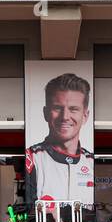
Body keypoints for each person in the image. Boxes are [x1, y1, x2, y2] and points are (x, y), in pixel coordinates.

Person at [25, 72, 94, 205]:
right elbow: (28, 214)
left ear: (85, 116)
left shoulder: (92, 162)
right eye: (58, 108)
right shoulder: (32, 158)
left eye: (73, 109)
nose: (65, 117)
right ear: (46, 113)